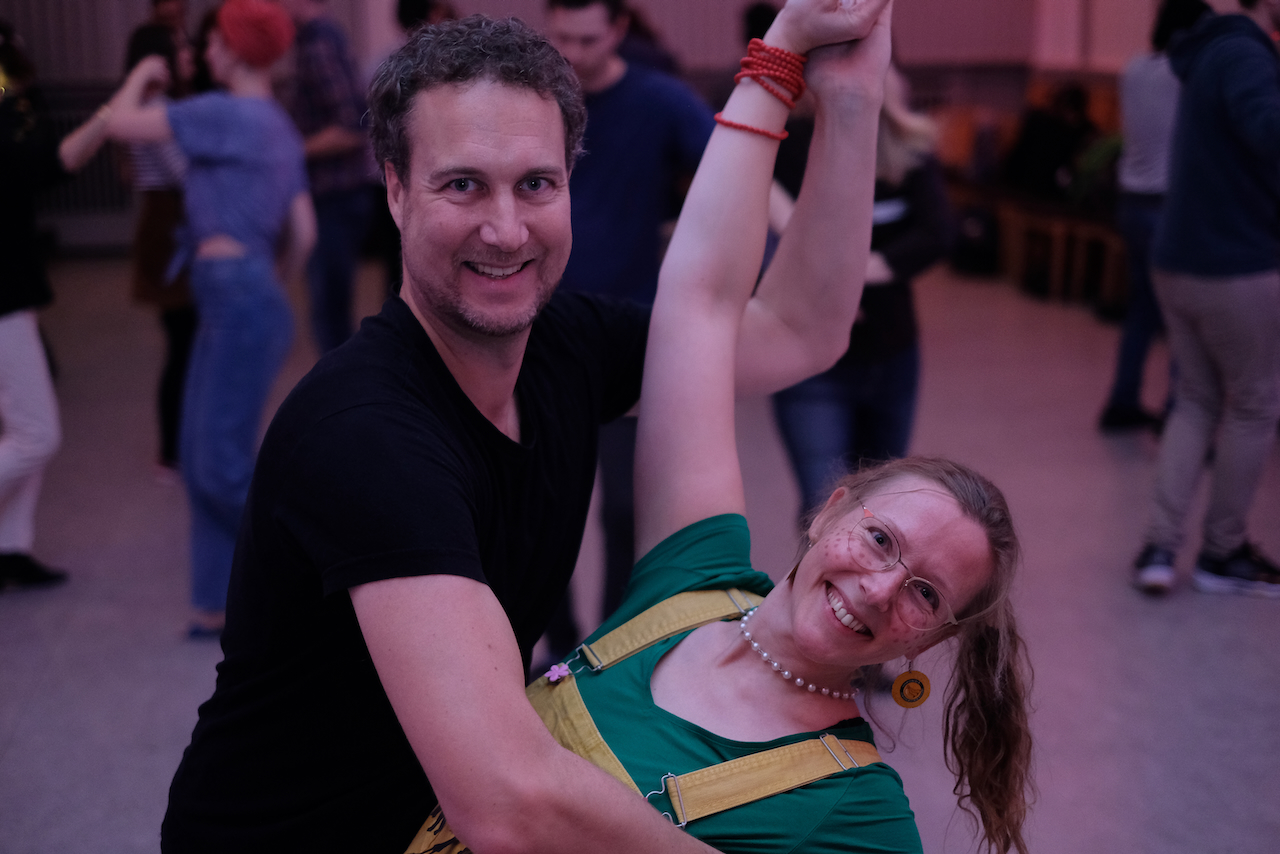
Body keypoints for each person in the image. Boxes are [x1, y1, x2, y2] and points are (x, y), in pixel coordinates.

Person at [157, 2, 890, 851]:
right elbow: (509, 801)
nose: (506, 231)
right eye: (462, 185)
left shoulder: (563, 347)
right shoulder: (365, 435)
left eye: (535, 185)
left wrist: (850, 99)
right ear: (394, 190)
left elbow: (797, 329)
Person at [408, 4, 1032, 852]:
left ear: (937, 639)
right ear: (832, 509)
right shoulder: (695, 583)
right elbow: (699, 304)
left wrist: (850, 102)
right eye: (881, 541)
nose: (881, 589)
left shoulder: (861, 814)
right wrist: (812, 74)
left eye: (926, 595)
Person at [99, 0, 316, 634]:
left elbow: (118, 125)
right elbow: (304, 232)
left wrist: (142, 75)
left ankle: (309, 577)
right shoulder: (277, 124)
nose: (204, 51)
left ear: (236, 50)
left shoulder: (225, 112)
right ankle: (218, 604)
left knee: (217, 464)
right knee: (203, 460)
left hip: (237, 299)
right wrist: (264, 280)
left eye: (215, 41)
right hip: (243, 297)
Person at [543, 0, 717, 647]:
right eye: (562, 37)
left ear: (618, 30)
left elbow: (733, 170)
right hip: (538, 332)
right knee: (542, 509)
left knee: (623, 507)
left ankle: (609, 648)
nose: (573, 53)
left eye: (588, 39)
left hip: (627, 335)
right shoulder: (536, 97)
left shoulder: (658, 99)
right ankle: (558, 643)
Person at [1131, 0, 1280, 596]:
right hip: (1234, 263)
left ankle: (1159, 549)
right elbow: (1270, 132)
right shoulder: (1246, 55)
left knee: (1195, 400)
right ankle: (1223, 551)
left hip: (1180, 258)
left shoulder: (1212, 50)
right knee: (1254, 404)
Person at [773, 63, 953, 511]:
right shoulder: (788, 147)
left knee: (877, 505)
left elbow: (938, 233)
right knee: (824, 506)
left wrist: (860, 272)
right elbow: (784, 238)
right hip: (812, 363)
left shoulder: (905, 148)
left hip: (891, 354)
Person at [0, 18, 127, 590]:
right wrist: (112, 111)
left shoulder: (10, 93)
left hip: (12, 286)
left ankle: (9, 548)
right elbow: (52, 161)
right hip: (3, 294)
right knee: (36, 433)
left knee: (22, 424)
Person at [1097, 0, 1210, 434]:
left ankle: (1122, 401)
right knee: (1184, 317)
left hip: (1131, 203)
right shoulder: (1185, 74)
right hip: (1169, 205)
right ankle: (1176, 412)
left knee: (1142, 310)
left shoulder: (1134, 69)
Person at [121, 22, 198, 476]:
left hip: (167, 223)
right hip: (171, 229)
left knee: (182, 341)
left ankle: (176, 446)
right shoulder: (155, 107)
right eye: (180, 48)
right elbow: (183, 173)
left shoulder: (156, 104)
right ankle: (174, 449)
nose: (189, 54)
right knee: (184, 343)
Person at [281, 0, 376, 355]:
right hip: (338, 194)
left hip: (335, 196)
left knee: (330, 316)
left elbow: (352, 126)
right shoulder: (321, 37)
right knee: (332, 311)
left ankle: (343, 386)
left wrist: (290, 149)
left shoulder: (318, 44)